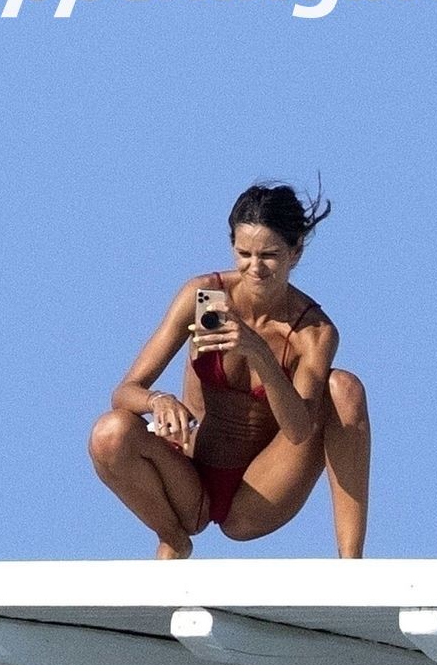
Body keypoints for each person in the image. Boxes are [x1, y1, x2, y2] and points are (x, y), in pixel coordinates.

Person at [88, 183, 370, 559]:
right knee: (109, 433)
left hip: (260, 493)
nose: (255, 268)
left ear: (295, 252)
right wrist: (158, 401)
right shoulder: (206, 297)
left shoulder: (313, 332)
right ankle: (173, 538)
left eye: (269, 255)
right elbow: (125, 391)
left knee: (344, 387)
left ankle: (351, 565)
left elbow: (299, 430)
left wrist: (259, 353)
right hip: (192, 483)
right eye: (244, 254)